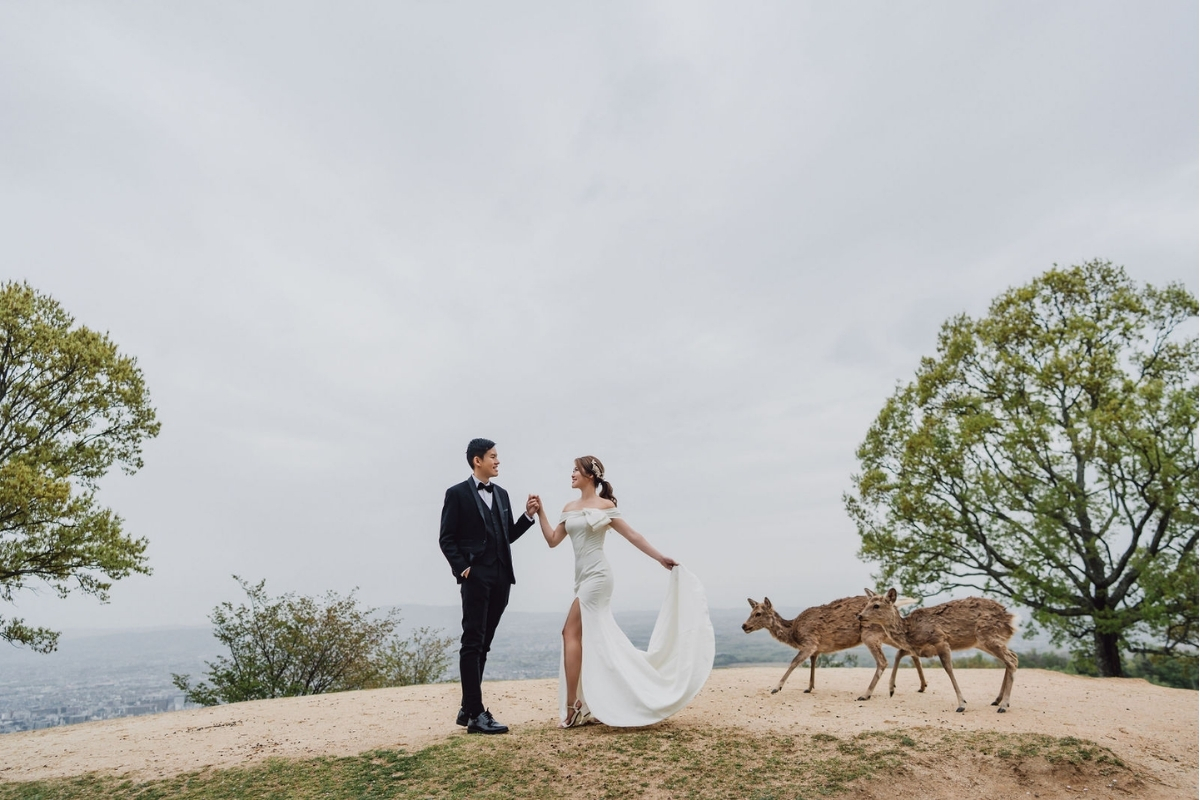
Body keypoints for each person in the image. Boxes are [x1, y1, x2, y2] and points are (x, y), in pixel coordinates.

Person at [533, 455, 714, 728]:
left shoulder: (605, 506)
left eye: (575, 470)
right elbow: (552, 540)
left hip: (598, 577)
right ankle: (593, 700)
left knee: (569, 632)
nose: (571, 474)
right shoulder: (569, 507)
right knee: (593, 639)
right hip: (582, 579)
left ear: (590, 475)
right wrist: (540, 513)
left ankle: (573, 704)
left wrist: (660, 558)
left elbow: (633, 536)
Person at [438, 438, 538, 734]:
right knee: (472, 642)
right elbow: (446, 538)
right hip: (475, 577)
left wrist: (527, 516)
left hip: (502, 577)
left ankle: (469, 708)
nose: (498, 461)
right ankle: (476, 714)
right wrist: (464, 569)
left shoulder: (503, 494)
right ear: (477, 460)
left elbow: (505, 535)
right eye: (493, 457)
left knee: (484, 644)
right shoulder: (456, 494)